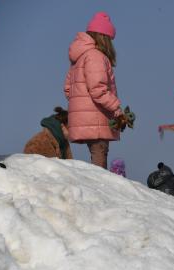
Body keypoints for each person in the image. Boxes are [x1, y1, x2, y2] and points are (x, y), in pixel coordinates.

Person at [64, 11, 125, 169]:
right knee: (99, 156)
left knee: (96, 153)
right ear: (104, 38)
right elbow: (98, 89)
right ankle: (101, 190)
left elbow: (68, 89)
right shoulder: (95, 56)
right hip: (97, 118)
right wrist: (116, 108)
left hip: (85, 118)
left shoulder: (80, 57)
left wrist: (80, 106)